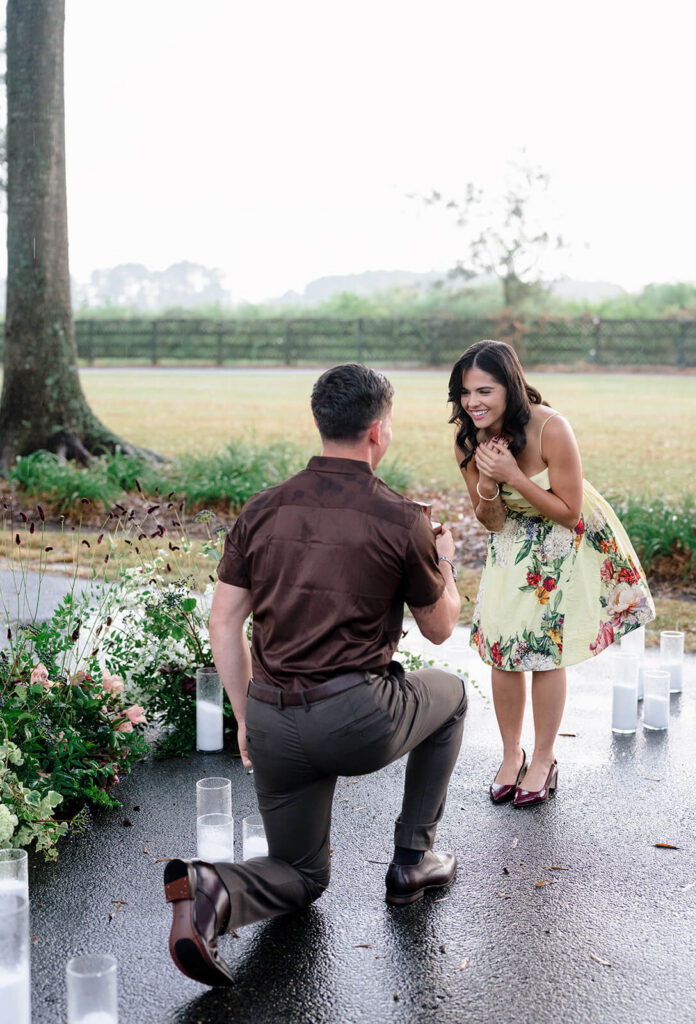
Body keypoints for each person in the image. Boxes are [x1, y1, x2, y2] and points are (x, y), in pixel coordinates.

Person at [163, 363, 466, 987]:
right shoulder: (400, 518)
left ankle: (212, 888)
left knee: (301, 876)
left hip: (272, 717)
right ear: (377, 432)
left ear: (320, 424)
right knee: (453, 695)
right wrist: (447, 566)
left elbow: (224, 624)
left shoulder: (262, 509)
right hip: (357, 721)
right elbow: (439, 630)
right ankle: (413, 859)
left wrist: (246, 717)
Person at [449, 340, 654, 808]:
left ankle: (543, 758)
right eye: (464, 393)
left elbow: (569, 512)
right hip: (510, 544)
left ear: (511, 387)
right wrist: (486, 481)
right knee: (502, 649)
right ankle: (510, 754)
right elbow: (493, 520)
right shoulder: (467, 438)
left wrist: (514, 476)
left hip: (562, 542)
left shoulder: (552, 428)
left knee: (544, 651)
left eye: (484, 390)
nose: (473, 402)